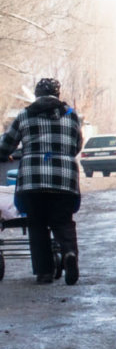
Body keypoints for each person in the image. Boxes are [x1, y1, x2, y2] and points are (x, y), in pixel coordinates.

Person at [0, 77, 85, 284]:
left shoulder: (25, 115)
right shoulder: (71, 115)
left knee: (36, 224)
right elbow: (76, 146)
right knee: (63, 221)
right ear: (58, 95)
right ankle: (69, 253)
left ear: (37, 94)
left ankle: (44, 272)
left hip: (32, 182)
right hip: (64, 180)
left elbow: (5, 145)